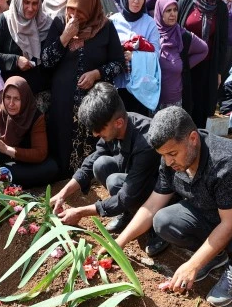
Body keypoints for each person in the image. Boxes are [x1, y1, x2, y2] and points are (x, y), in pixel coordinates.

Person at [110, 106, 232, 307]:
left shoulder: (227, 162)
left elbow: (231, 225)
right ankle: (217, 255)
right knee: (164, 221)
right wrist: (117, 244)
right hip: (215, 214)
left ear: (193, 138)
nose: (168, 161)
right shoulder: (170, 160)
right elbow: (152, 206)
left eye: (172, 153)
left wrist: (192, 265)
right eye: (163, 155)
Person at [51, 82, 164, 244]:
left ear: (118, 122)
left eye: (99, 129)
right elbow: (92, 161)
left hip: (157, 192)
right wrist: (63, 193)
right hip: (133, 179)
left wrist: (81, 212)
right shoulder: (115, 126)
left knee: (115, 182)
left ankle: (152, 225)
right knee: (100, 164)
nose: (95, 134)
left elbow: (128, 194)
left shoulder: (145, 140)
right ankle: (129, 213)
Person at [42, 0, 125, 176]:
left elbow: (119, 64)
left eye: (80, 11)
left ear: (91, 7)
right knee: (62, 146)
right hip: (63, 102)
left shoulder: (105, 27)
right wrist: (65, 37)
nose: (74, 15)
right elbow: (46, 61)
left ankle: (89, 179)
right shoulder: (60, 22)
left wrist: (97, 74)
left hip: (92, 103)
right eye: (71, 9)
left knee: (91, 147)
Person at [177, 0, 228, 129]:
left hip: (207, 67)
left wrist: (219, 71)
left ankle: (198, 141)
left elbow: (222, 43)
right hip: (185, 65)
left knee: (202, 106)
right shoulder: (187, 0)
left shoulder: (221, 8)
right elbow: (174, 30)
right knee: (184, 104)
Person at [0, 76, 59, 187]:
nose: (11, 103)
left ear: (25, 99)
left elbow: (40, 153)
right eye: (8, 97)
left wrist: (7, 149)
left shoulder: (35, 117)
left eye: (17, 99)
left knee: (51, 168)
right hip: (2, 165)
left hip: (25, 164)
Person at [0, 0, 52, 95]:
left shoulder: (46, 23)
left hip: (42, 94)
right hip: (14, 96)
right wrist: (15, 61)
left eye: (35, 3)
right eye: (26, 2)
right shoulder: (5, 21)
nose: (30, 8)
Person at [109, 0, 161, 116]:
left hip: (141, 89)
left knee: (139, 130)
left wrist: (134, 56)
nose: (136, 1)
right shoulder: (113, 22)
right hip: (117, 87)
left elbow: (156, 55)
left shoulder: (150, 24)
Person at [154, 0, 208, 112]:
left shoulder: (183, 35)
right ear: (160, 12)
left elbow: (204, 49)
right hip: (153, 101)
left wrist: (184, 65)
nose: (173, 14)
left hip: (174, 103)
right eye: (168, 10)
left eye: (175, 10)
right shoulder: (152, 33)